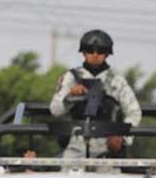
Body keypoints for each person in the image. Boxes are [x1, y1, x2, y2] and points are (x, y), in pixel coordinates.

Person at [49, 29, 142, 158]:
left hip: (107, 149)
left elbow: (134, 112)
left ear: (107, 54)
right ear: (83, 52)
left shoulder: (117, 81)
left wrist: (121, 137)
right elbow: (55, 110)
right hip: (75, 145)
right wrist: (70, 96)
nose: (95, 54)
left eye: (100, 51)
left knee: (110, 177)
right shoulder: (70, 78)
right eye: (90, 50)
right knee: (67, 176)